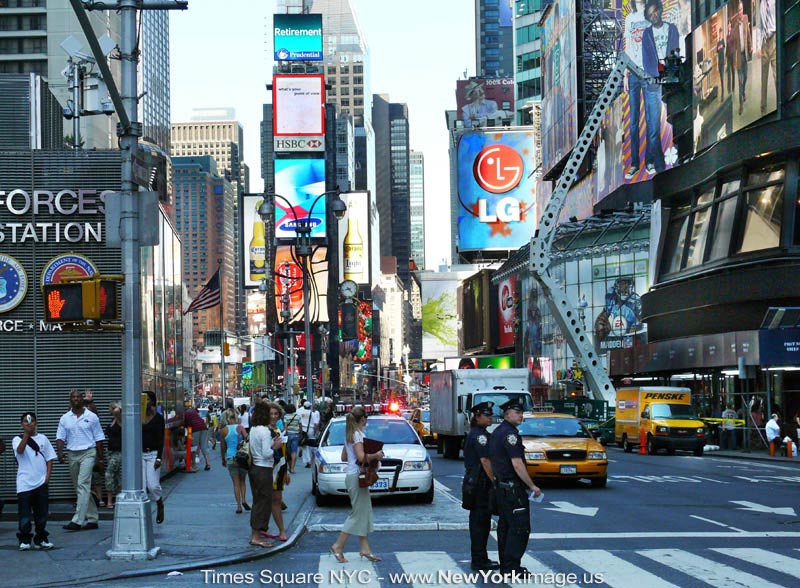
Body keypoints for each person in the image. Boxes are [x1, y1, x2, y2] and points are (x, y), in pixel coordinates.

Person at [489, 398, 542, 576]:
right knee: (519, 527)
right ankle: (512, 567)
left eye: (521, 412)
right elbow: (517, 464)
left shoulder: (498, 432)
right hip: (512, 488)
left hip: (502, 487)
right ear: (507, 414)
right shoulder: (510, 435)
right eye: (517, 412)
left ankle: (506, 565)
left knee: (505, 526)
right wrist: (532, 485)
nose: (521, 416)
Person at [329, 406, 384, 563]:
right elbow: (360, 457)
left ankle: (365, 548)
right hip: (356, 477)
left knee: (363, 512)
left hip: (352, 476)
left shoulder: (350, 435)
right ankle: (338, 545)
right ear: (363, 419)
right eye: (366, 418)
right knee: (357, 514)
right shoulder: (358, 435)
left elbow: (344, 457)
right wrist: (376, 455)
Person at [56, 388, 105, 531]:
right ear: (70, 400)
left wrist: (101, 459)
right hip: (72, 453)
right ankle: (93, 518)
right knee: (81, 487)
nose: (76, 399)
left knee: (82, 484)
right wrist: (60, 453)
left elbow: (99, 438)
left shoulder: (92, 416)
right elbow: (60, 437)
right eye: (73, 397)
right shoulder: (65, 418)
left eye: (78, 397)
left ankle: (77, 520)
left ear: (82, 400)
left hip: (88, 452)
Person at [641, 0, 680, 174]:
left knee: (675, 120)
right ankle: (659, 166)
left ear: (660, 9)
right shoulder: (646, 35)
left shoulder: (672, 29)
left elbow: (675, 53)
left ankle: (680, 158)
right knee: (653, 128)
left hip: (671, 82)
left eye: (655, 11)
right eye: (650, 15)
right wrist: (656, 77)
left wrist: (670, 75)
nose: (653, 16)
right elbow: (646, 61)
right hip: (653, 85)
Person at [462, 401, 499, 572]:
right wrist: (495, 481)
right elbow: (485, 460)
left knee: (482, 523)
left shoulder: (480, 433)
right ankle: (479, 559)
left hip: (477, 483)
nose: (490, 417)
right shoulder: (479, 435)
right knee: (479, 523)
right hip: (479, 483)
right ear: (477, 417)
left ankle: (480, 557)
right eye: (487, 415)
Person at [14, 412, 57, 550]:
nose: (29, 423)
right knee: (25, 514)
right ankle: (25, 539)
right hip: (25, 483)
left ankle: (41, 539)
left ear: (36, 423)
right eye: (26, 422)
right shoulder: (17, 439)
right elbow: (20, 451)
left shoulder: (43, 438)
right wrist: (26, 435)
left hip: (41, 482)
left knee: (41, 514)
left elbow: (49, 458)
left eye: (32, 421)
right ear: (22, 424)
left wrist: (47, 478)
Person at [248, 402, 282, 548]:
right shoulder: (265, 431)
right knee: (263, 503)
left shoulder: (253, 429)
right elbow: (267, 453)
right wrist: (275, 447)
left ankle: (256, 534)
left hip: (254, 467)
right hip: (264, 468)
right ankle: (256, 536)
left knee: (257, 501)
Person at [623, 0, 649, 180]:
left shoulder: (651, 13)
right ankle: (634, 163)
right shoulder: (629, 19)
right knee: (633, 122)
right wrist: (625, 73)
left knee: (650, 117)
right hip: (633, 72)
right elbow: (627, 46)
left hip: (648, 71)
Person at [262, 403, 291, 542]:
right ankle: (280, 530)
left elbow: (284, 452)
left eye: (276, 414)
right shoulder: (264, 431)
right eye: (271, 414)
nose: (273, 416)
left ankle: (268, 529)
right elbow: (265, 451)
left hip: (280, 468)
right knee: (273, 500)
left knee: (276, 499)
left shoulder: (277, 429)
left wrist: (287, 472)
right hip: (270, 469)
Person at [142, 390, 165, 524]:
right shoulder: (138, 416)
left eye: (148, 399)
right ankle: (145, 514)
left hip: (152, 454)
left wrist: (158, 458)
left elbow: (160, 438)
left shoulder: (158, 418)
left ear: (152, 401)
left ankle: (159, 502)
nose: (145, 402)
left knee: (153, 485)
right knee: (142, 486)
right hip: (139, 453)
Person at [220, 409, 249, 513]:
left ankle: (238, 506)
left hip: (231, 457)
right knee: (243, 481)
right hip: (242, 457)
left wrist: (223, 459)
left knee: (235, 483)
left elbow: (223, 447)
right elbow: (247, 439)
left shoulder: (223, 430)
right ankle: (244, 499)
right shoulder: (240, 428)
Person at [730, 0, 752, 116]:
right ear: (736, 11)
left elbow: (748, 33)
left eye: (741, 10)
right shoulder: (734, 25)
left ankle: (743, 92)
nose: (740, 12)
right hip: (738, 58)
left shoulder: (746, 18)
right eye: (739, 10)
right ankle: (741, 106)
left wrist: (750, 46)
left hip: (745, 55)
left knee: (746, 76)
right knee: (740, 81)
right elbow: (732, 43)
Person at [759, 0, 777, 115]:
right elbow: (760, 26)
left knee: (776, 75)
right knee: (763, 78)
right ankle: (763, 108)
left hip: (774, 39)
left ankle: (781, 104)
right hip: (764, 43)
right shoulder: (761, 4)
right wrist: (758, 46)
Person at [105, 401, 122, 509]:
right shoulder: (113, 420)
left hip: (118, 451)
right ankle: (117, 497)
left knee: (109, 473)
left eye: (110, 408)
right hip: (110, 451)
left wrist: (117, 407)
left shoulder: (120, 419)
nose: (109, 410)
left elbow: (117, 412)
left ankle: (110, 500)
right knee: (116, 475)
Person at [183, 403, 210, 471]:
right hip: (203, 428)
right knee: (204, 446)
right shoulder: (193, 411)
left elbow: (185, 423)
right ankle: (208, 463)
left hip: (195, 430)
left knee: (194, 447)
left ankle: (194, 465)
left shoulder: (185, 413)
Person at [299, 401, 320, 468]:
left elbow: (299, 423)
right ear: (310, 407)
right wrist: (316, 431)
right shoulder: (312, 414)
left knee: (305, 446)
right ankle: (313, 459)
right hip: (311, 430)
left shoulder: (300, 413)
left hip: (303, 430)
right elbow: (316, 424)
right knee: (313, 445)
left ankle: (307, 461)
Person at [282, 404, 302, 474]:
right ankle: (293, 468)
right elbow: (300, 426)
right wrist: (300, 433)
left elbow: (285, 427)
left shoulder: (286, 416)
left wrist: (285, 434)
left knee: (288, 451)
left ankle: (289, 466)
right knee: (294, 451)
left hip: (288, 435)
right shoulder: (298, 416)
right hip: (296, 434)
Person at [715, 28, 726, 101]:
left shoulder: (723, 41)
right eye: (720, 33)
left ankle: (723, 93)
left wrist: (721, 47)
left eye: (721, 33)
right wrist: (718, 48)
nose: (720, 34)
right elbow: (717, 51)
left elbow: (724, 48)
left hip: (722, 61)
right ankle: (722, 92)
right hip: (719, 61)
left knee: (722, 77)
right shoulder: (718, 42)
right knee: (720, 77)